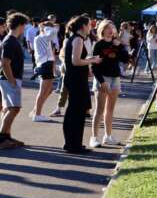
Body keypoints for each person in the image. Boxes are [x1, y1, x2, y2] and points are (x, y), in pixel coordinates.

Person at [62, 15, 102, 154]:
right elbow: (76, 61)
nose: (91, 28)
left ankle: (72, 143)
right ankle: (73, 145)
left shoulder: (75, 38)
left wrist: (89, 62)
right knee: (76, 112)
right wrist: (91, 61)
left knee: (75, 111)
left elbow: (77, 60)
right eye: (89, 25)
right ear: (83, 26)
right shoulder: (78, 39)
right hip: (76, 79)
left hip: (76, 78)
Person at [88, 20, 130, 148]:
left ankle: (108, 136)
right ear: (102, 30)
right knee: (99, 110)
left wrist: (118, 46)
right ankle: (94, 137)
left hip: (115, 78)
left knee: (110, 110)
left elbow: (126, 59)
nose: (111, 30)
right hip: (103, 78)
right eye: (107, 28)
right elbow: (94, 66)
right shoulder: (98, 45)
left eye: (112, 27)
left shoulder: (117, 43)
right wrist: (101, 81)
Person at [0, 13, 30, 149]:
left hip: (10, 79)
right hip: (9, 80)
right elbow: (5, 63)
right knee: (14, 108)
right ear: (20, 25)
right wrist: (12, 81)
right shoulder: (10, 41)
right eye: (24, 25)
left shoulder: (12, 40)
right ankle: (2, 139)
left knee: (11, 108)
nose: (25, 28)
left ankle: (6, 136)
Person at [30, 21, 60, 121]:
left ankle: (35, 110)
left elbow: (53, 36)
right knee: (42, 91)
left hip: (48, 63)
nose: (52, 28)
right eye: (49, 27)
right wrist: (49, 27)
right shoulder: (40, 37)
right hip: (44, 64)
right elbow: (52, 33)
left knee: (49, 89)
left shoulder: (45, 38)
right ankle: (37, 114)